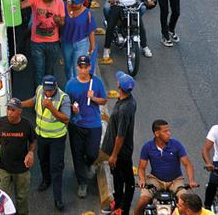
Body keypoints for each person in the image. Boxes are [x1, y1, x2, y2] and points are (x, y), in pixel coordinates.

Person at [20, 75, 70, 211]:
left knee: (56, 167)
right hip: (41, 135)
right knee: (43, 160)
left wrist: (51, 108)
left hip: (56, 138)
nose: (48, 93)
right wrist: (20, 104)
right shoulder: (40, 90)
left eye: (50, 91)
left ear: (56, 87)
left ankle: (58, 199)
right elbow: (34, 101)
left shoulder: (63, 98)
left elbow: (66, 119)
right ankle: (46, 180)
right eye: (46, 90)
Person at [134, 120, 199, 215]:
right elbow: (141, 168)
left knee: (186, 203)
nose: (169, 134)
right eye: (165, 131)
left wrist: (191, 180)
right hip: (155, 180)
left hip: (176, 181)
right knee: (142, 202)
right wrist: (142, 179)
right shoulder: (147, 147)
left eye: (169, 131)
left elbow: (187, 164)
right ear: (156, 133)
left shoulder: (176, 145)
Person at [65, 56, 106, 198]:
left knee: (92, 153)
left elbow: (104, 100)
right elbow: (66, 104)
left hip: (93, 124)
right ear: (77, 67)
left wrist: (94, 98)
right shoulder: (70, 84)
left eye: (86, 67)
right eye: (81, 67)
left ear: (89, 67)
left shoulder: (97, 82)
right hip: (76, 125)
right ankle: (82, 183)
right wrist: (73, 108)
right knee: (77, 154)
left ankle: (87, 163)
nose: (83, 70)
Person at [0, 98, 35, 215]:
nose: (9, 112)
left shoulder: (27, 125)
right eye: (8, 109)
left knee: (21, 197)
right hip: (3, 166)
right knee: (2, 196)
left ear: (20, 111)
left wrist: (30, 153)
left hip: (21, 168)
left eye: (13, 110)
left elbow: (33, 141)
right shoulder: (1, 122)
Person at [100, 71, 137, 215]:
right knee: (116, 176)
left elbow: (121, 135)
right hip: (115, 150)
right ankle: (117, 200)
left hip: (121, 152)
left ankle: (123, 208)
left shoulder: (125, 108)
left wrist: (114, 155)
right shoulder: (126, 100)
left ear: (119, 86)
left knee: (127, 179)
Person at [20, 0, 65, 86]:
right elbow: (19, 6)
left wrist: (59, 21)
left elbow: (63, 22)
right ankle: (38, 96)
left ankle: (49, 94)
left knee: (49, 71)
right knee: (39, 71)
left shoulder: (60, 2)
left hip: (53, 42)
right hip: (37, 43)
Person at [60, 0, 96, 81]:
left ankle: (75, 90)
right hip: (66, 42)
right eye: (73, 2)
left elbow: (91, 30)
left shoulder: (87, 13)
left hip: (81, 43)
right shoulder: (64, 7)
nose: (74, 5)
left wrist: (92, 46)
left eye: (77, 3)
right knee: (68, 67)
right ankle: (70, 84)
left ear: (83, 3)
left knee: (77, 69)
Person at [201, 110, 218, 210]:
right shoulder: (216, 130)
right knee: (213, 182)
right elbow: (205, 149)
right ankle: (207, 207)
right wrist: (208, 163)